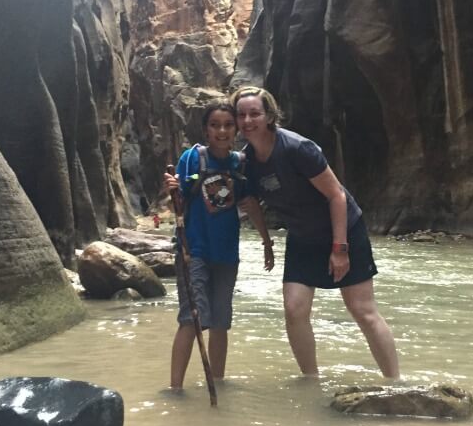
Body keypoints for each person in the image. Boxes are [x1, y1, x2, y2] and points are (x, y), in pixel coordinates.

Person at [230, 86, 400, 379]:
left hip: (343, 228)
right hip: (301, 236)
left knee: (361, 309)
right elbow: (252, 203)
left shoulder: (297, 148)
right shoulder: (247, 163)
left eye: (254, 113)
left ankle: (395, 380)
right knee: (294, 310)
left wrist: (340, 248)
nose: (247, 121)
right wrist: (267, 243)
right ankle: (311, 380)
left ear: (269, 116)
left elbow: (337, 196)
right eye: (241, 115)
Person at [163, 100, 274, 390]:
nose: (222, 131)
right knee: (193, 318)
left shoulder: (239, 164)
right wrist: (175, 187)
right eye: (215, 125)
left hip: (227, 254)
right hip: (194, 251)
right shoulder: (194, 159)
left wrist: (266, 241)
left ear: (236, 129)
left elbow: (250, 204)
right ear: (206, 130)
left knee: (221, 322)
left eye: (227, 125)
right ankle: (175, 388)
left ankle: (219, 383)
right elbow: (186, 188)